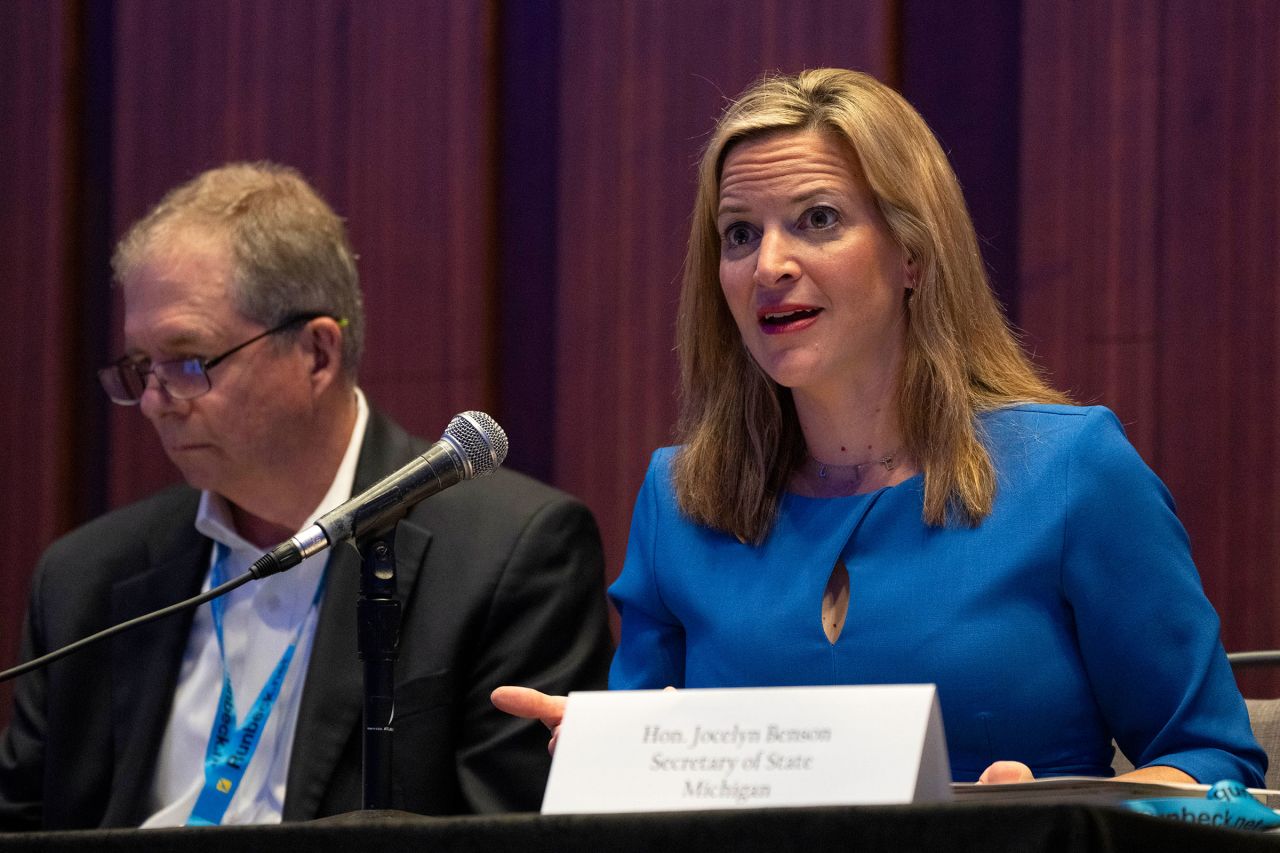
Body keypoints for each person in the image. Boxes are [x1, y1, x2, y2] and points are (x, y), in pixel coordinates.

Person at [494, 68, 1266, 787]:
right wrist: (608, 760)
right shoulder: (680, 503)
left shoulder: (1070, 472)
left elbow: (1215, 763)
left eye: (817, 219)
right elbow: (653, 787)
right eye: (739, 233)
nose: (769, 265)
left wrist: (1053, 819)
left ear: (914, 255)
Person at [0, 162, 614, 829]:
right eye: (140, 367)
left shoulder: (511, 557)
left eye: (187, 362)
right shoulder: (82, 583)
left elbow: (508, 836)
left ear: (317, 354)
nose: (153, 402)